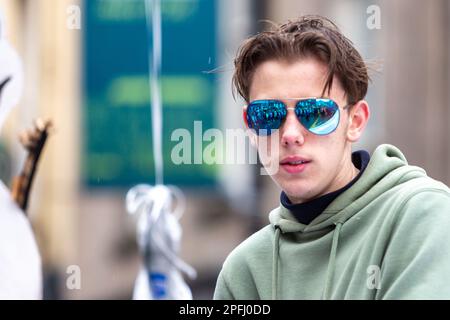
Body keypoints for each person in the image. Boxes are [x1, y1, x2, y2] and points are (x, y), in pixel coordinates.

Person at [213, 15, 450, 300]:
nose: (290, 134)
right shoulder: (244, 270)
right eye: (267, 115)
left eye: (316, 113)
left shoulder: (423, 214)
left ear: (356, 121)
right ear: (250, 125)